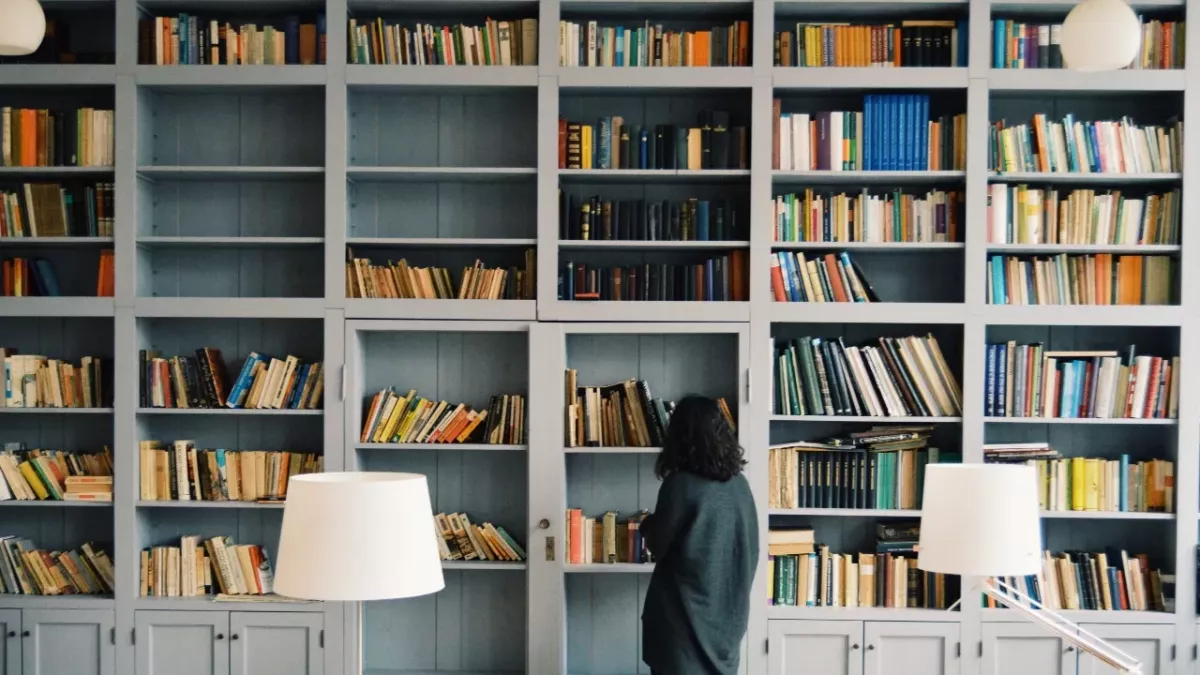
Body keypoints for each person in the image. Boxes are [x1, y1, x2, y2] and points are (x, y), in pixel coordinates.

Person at [640, 394, 759, 675]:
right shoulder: (740, 484)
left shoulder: (680, 484)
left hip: (682, 622)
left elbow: (658, 544)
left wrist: (645, 524)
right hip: (728, 618)